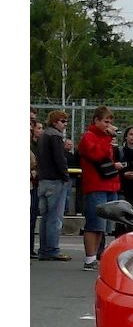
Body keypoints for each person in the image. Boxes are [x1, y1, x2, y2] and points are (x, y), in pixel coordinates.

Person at [77, 105, 125, 270]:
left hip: (109, 185)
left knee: (103, 226)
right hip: (96, 185)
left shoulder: (105, 139)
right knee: (94, 223)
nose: (108, 125)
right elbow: (98, 155)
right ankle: (89, 258)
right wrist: (107, 139)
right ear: (96, 120)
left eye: (110, 121)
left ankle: (96, 255)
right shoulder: (89, 137)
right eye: (105, 121)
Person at [36, 111, 72, 261]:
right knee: (55, 217)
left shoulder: (43, 135)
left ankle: (44, 249)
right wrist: (65, 176)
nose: (65, 125)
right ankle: (52, 249)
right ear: (55, 121)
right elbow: (59, 159)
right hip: (55, 180)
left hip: (43, 180)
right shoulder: (56, 136)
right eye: (63, 122)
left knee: (45, 217)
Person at [30, 119, 44, 257]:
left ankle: (30, 248)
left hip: (35, 182)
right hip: (32, 181)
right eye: (38, 128)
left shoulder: (40, 144)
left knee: (33, 216)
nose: (41, 130)